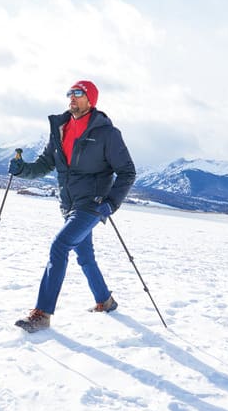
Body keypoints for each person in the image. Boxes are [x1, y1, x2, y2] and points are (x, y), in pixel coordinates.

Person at [8, 80, 136, 332]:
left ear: (91, 99)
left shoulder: (107, 134)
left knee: (60, 245)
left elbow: (127, 172)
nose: (72, 97)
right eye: (70, 93)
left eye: (78, 93)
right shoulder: (61, 127)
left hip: (93, 203)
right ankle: (105, 301)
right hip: (68, 203)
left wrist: (111, 202)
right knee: (85, 255)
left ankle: (42, 313)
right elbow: (45, 163)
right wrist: (22, 169)